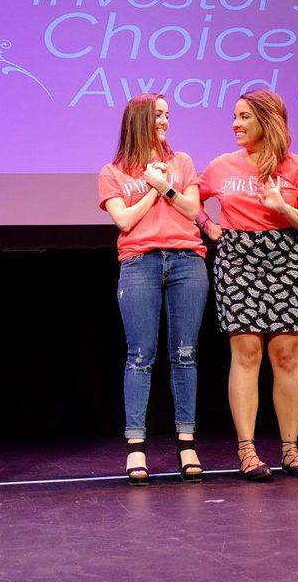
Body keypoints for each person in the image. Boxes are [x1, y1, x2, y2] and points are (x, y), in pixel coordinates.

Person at [198, 89, 298, 481]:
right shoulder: (221, 166)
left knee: (286, 354)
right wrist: (208, 226)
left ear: (267, 121)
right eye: (234, 116)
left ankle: (290, 450)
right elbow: (190, 200)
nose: (236, 124)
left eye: (244, 117)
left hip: (286, 255)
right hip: (237, 256)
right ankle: (248, 451)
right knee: (247, 351)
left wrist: (283, 207)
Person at [97, 93, 208, 485]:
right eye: (159, 115)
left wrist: (166, 185)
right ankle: (136, 447)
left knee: (185, 354)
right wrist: (151, 187)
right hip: (139, 264)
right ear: (140, 120)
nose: (165, 121)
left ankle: (187, 442)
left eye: (167, 115)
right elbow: (124, 220)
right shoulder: (112, 171)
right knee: (140, 356)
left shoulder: (182, 163)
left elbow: (194, 211)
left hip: (186, 262)